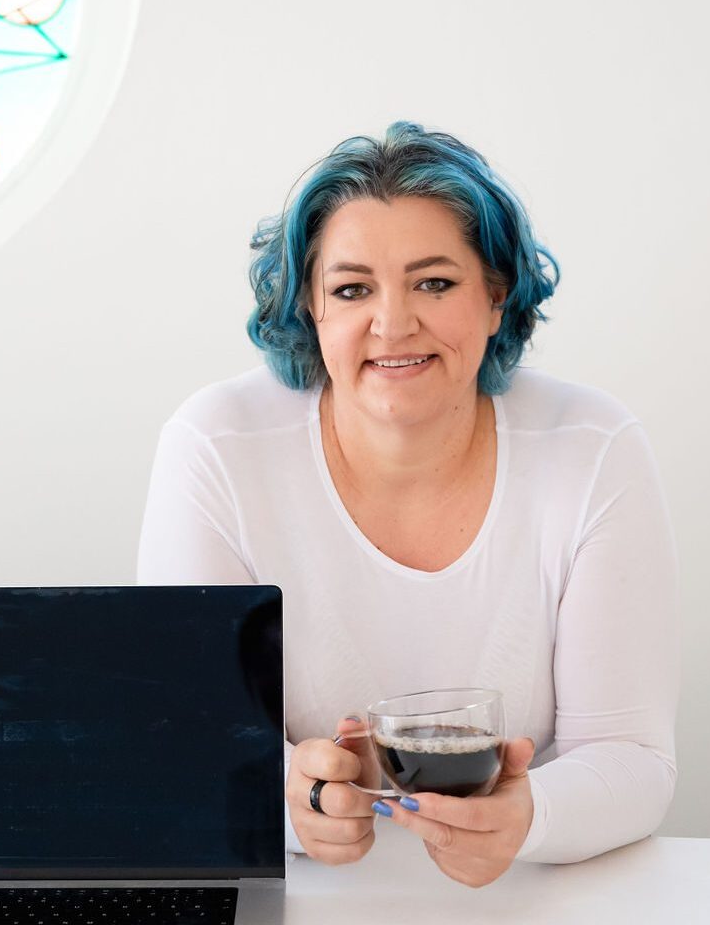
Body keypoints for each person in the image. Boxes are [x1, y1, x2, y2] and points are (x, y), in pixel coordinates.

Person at [137, 122, 678, 887]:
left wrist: (526, 819)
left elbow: (632, 760)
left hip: (528, 893)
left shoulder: (591, 448)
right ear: (310, 309)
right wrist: (289, 803)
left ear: (497, 297)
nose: (393, 324)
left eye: (434, 282)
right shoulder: (218, 446)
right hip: (306, 897)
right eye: (352, 289)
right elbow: (184, 748)